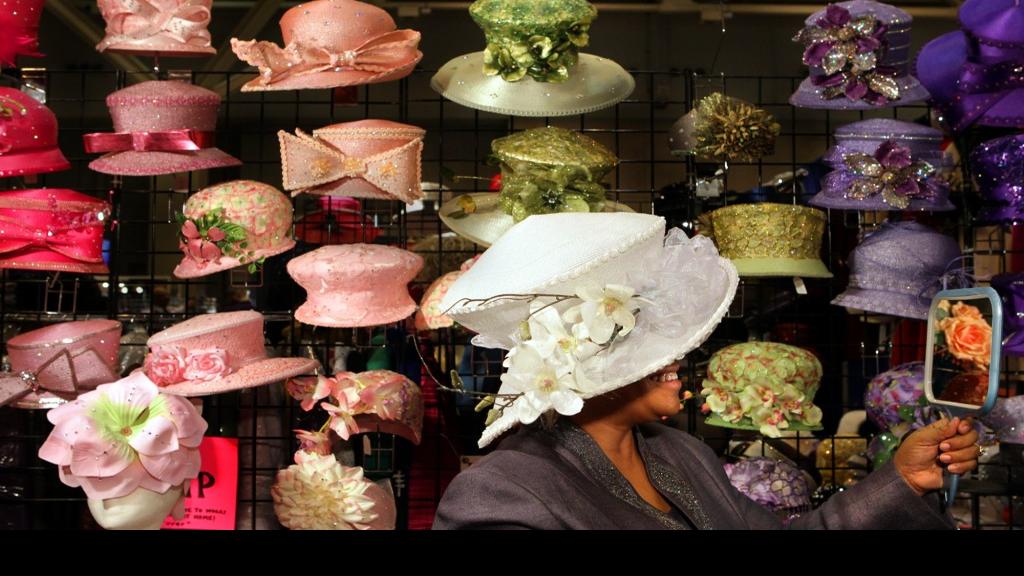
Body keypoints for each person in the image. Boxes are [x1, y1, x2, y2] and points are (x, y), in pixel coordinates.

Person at [431, 212, 976, 529]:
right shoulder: (502, 492)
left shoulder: (679, 453)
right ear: (584, 358)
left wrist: (902, 478)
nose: (677, 358)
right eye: (648, 343)